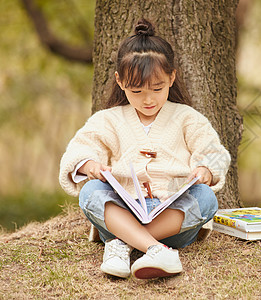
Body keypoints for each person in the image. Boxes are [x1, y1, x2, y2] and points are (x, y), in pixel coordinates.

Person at [59, 18, 230, 280]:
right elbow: (80, 150)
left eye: (157, 88)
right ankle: (155, 249)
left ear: (172, 77)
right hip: (122, 211)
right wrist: (91, 166)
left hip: (172, 220)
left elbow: (215, 153)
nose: (148, 99)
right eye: (137, 90)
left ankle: (123, 244)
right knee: (90, 192)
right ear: (120, 81)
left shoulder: (187, 118)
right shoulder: (108, 120)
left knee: (206, 198)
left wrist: (205, 170)